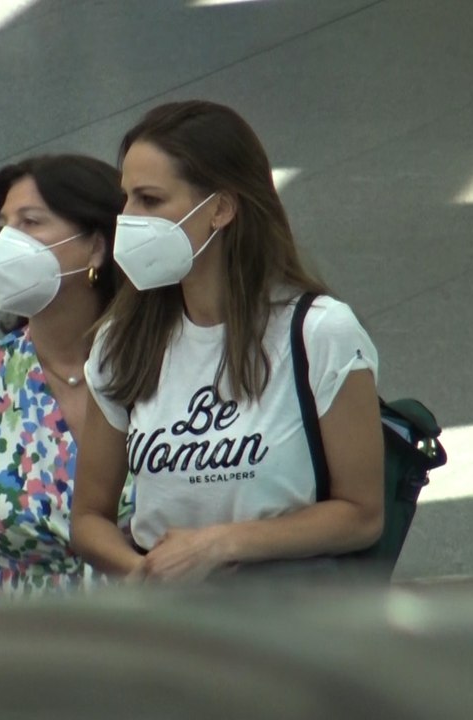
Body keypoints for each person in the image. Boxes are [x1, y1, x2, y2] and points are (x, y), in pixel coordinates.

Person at [71, 100, 385, 583]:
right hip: (173, 628)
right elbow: (90, 516)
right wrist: (144, 570)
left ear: (220, 209)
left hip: (285, 619)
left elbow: (362, 514)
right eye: (127, 198)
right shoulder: (122, 339)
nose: (128, 219)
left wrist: (217, 544)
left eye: (150, 200)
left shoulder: (320, 331)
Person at [0, 154, 133, 598]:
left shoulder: (163, 366)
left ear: (97, 245)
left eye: (31, 223)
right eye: (3, 228)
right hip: (23, 657)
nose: (8, 243)